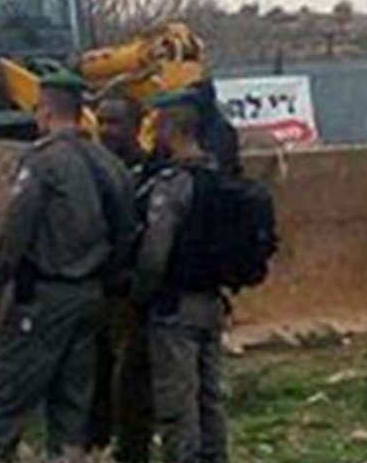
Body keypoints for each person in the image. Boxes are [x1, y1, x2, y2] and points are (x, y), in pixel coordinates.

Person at [0, 72, 137, 463]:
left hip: (43, 299)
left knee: (6, 400)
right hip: (92, 296)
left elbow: (14, 239)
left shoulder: (43, 163)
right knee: (72, 403)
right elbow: (127, 235)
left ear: (44, 111)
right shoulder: (111, 164)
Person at [132, 92, 228, 463]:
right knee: (210, 399)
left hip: (175, 308)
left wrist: (140, 295)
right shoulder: (218, 177)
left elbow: (155, 255)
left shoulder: (172, 185)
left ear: (170, 128)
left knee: (177, 405)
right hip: (213, 302)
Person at [89, 90, 154, 463]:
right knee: (95, 370)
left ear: (136, 126)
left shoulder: (146, 172)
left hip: (130, 289)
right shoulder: (90, 170)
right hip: (93, 287)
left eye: (115, 122)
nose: (106, 130)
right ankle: (96, 441)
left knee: (131, 377)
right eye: (101, 122)